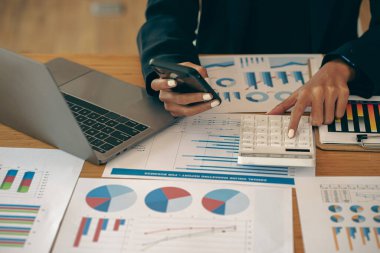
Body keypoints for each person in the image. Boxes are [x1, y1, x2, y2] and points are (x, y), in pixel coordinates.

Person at [137, 0, 380, 138]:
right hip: (215, 83)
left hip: (329, 84)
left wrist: (346, 64)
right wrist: (171, 64)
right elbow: (166, 13)